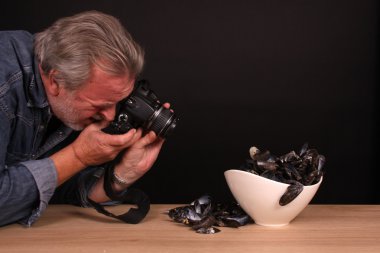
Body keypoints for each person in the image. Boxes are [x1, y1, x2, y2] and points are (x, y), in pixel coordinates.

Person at [0, 10, 166, 227]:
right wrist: (78, 156)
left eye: (117, 102)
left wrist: (122, 174)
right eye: (101, 105)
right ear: (55, 81)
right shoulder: (5, 84)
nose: (110, 116)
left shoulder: (64, 95)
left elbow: (50, 192)